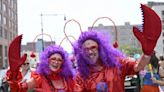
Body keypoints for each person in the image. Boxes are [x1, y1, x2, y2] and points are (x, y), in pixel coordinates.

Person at [72, 4, 162, 92]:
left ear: (100, 48)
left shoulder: (117, 63)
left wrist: (147, 52)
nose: (90, 52)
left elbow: (138, 66)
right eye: (86, 49)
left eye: (93, 47)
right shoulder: (81, 76)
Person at [6, 35, 77, 92]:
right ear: (47, 61)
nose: (56, 62)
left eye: (59, 60)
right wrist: (14, 73)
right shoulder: (39, 78)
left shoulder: (67, 79)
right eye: (53, 59)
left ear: (63, 63)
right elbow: (18, 90)